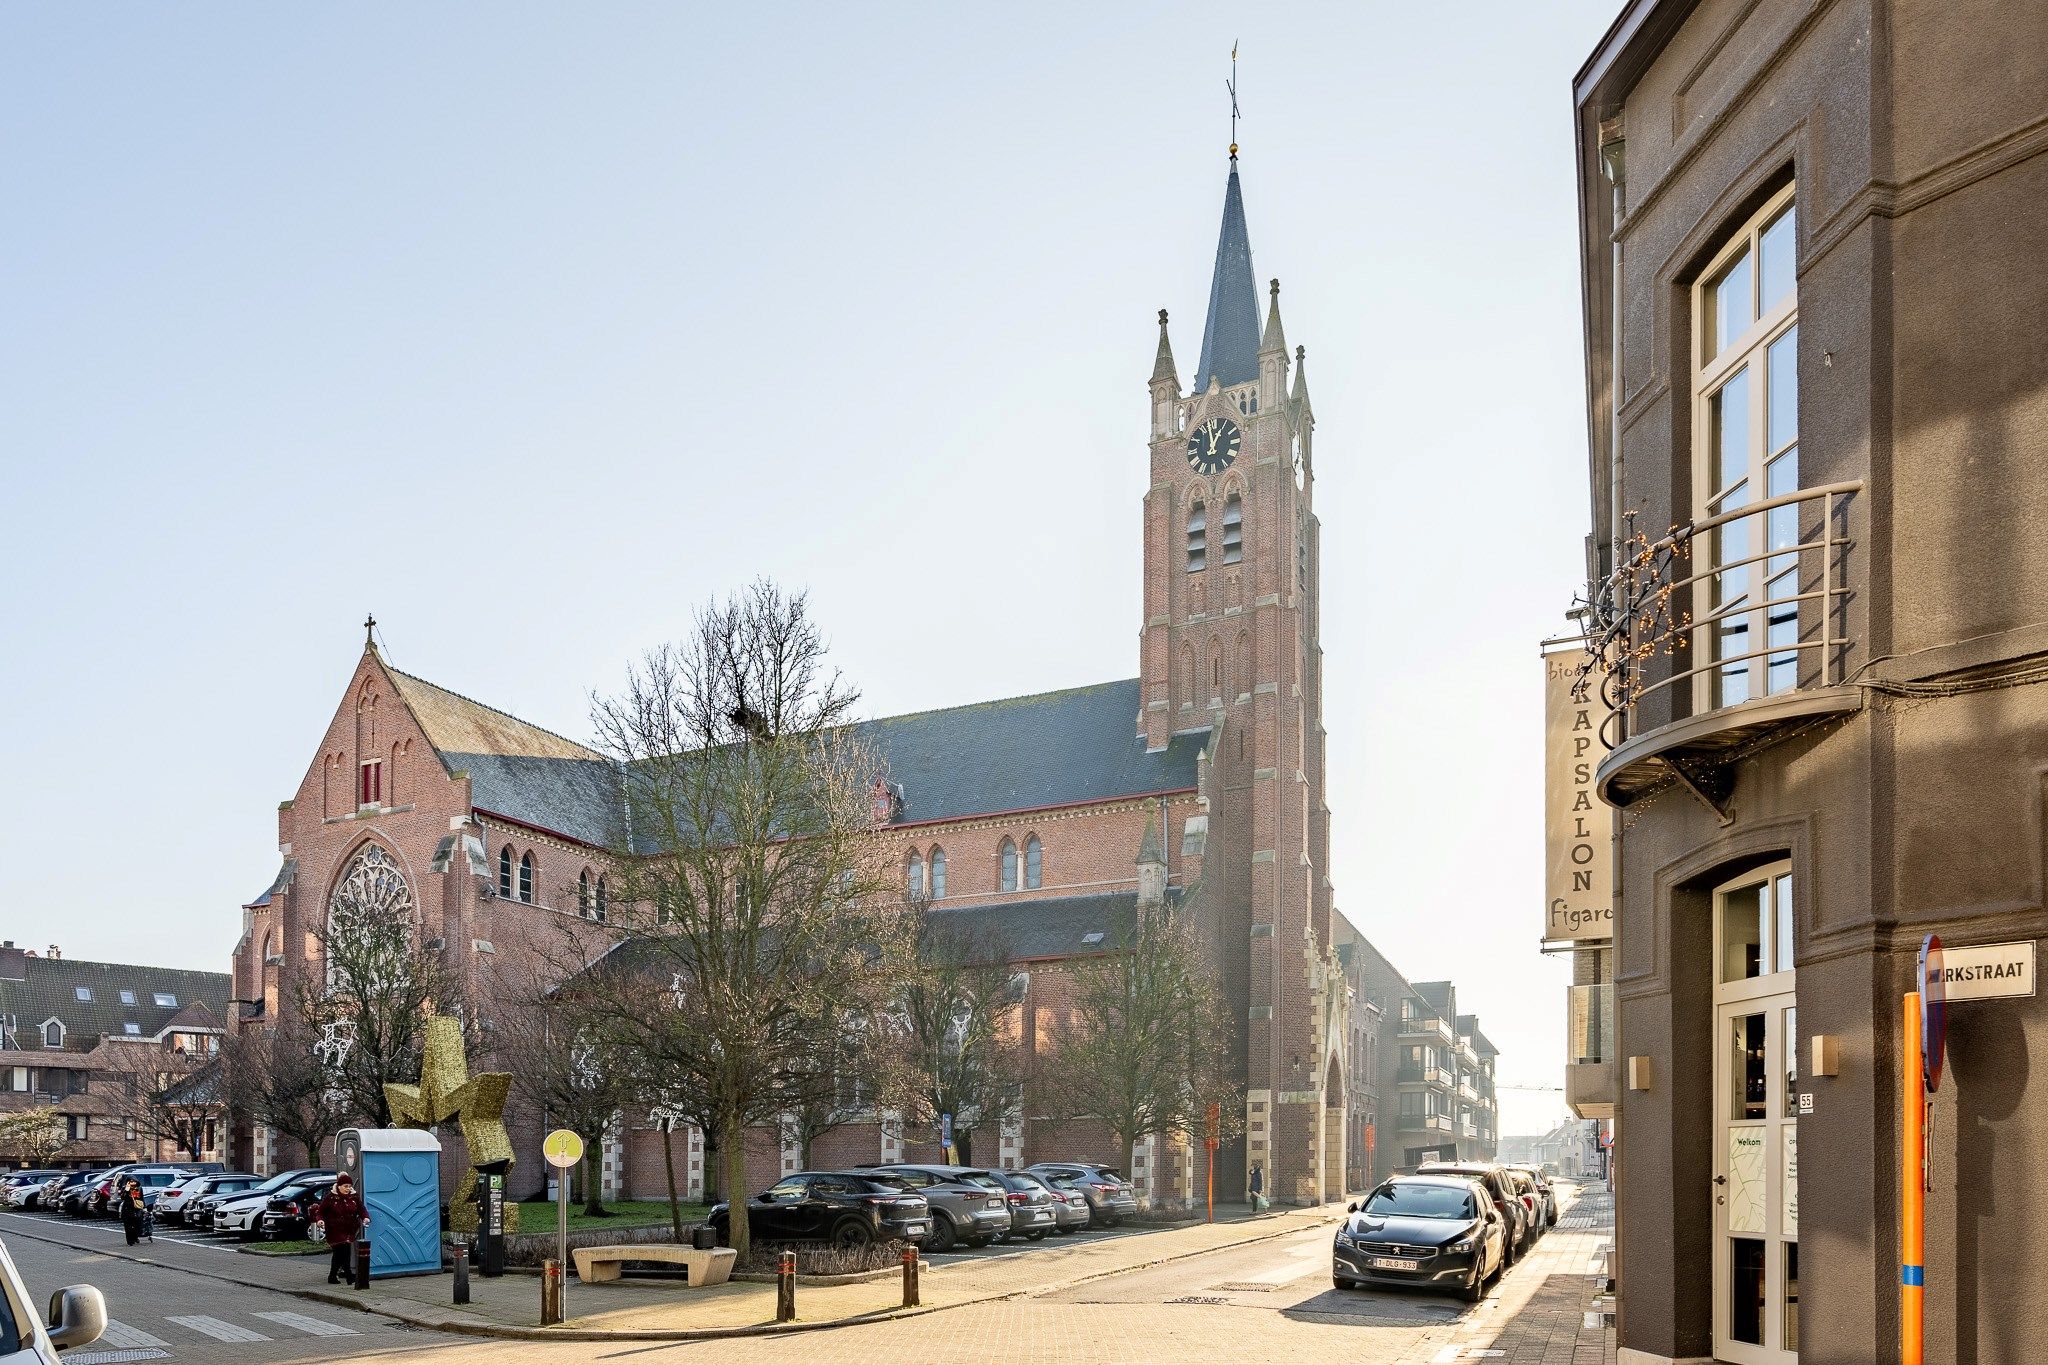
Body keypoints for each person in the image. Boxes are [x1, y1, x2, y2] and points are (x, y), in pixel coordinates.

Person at [316, 1175, 368, 1285]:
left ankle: (332, 1276)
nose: (348, 1189)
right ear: (339, 1186)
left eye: (349, 1186)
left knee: (338, 1254)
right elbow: (320, 1211)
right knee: (344, 1252)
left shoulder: (354, 1197)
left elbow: (361, 1209)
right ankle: (349, 1276)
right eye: (345, 1186)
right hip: (334, 1229)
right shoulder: (331, 1197)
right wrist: (320, 1221)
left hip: (349, 1229)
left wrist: (366, 1217)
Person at [119, 1179, 148, 1246]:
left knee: (137, 1225)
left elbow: (140, 1197)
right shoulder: (125, 1188)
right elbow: (123, 1197)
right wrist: (126, 1190)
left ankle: (135, 1237)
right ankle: (129, 1240)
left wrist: (144, 1206)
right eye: (130, 1182)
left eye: (133, 1182)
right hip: (127, 1209)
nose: (132, 1183)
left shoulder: (139, 1188)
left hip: (136, 1208)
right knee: (128, 1226)